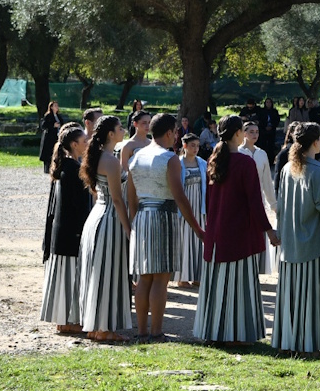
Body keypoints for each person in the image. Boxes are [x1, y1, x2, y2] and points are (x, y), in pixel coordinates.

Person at [195, 116, 279, 345]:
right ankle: (237, 335)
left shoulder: (214, 160)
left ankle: (215, 331)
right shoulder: (243, 163)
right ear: (236, 134)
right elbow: (254, 202)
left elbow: (209, 200)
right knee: (238, 286)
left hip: (217, 232)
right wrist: (269, 230)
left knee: (219, 284)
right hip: (238, 233)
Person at [273, 122, 320, 355]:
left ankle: (291, 341)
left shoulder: (287, 168)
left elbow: (282, 207)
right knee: (313, 297)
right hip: (313, 246)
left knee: (293, 296)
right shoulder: (318, 171)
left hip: (290, 244)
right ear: (316, 142)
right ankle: (310, 346)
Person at [126, 113, 205, 341]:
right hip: (163, 216)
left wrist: (134, 221)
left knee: (144, 277)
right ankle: (157, 331)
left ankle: (141, 331)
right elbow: (180, 197)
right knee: (161, 278)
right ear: (170, 132)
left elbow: (131, 195)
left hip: (141, 217)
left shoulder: (136, 157)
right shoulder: (169, 158)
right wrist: (198, 229)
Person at [79, 116, 133, 343]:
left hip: (96, 217)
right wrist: (129, 228)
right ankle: (103, 328)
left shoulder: (97, 157)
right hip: (110, 218)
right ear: (111, 134)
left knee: (98, 272)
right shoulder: (110, 161)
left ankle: (96, 325)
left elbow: (96, 190)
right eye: (120, 128)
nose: (123, 131)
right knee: (108, 272)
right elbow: (118, 200)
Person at [40, 124, 90, 334]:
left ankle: (64, 320)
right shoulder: (73, 169)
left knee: (64, 277)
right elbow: (78, 206)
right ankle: (68, 321)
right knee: (70, 277)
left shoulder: (66, 166)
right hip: (71, 233)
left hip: (63, 233)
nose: (88, 144)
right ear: (74, 144)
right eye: (84, 141)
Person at [240, 120, 278, 274]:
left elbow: (267, 181)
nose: (254, 134)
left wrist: (273, 204)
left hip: (259, 201)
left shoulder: (262, 154)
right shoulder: (238, 152)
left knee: (257, 234)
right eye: (251, 132)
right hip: (241, 202)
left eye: (256, 131)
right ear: (243, 133)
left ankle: (256, 269)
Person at [173, 134, 208, 288]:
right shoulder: (178, 164)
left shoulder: (202, 163)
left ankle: (197, 275)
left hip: (199, 205)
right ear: (185, 146)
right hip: (184, 206)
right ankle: (182, 276)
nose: (196, 148)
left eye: (197, 146)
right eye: (192, 145)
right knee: (183, 239)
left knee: (198, 240)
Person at [38, 102, 64, 173]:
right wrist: (53, 125)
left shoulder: (59, 116)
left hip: (57, 136)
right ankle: (47, 168)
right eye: (55, 106)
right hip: (49, 138)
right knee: (49, 153)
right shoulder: (48, 116)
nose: (57, 107)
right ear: (51, 107)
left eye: (57, 105)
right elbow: (44, 125)